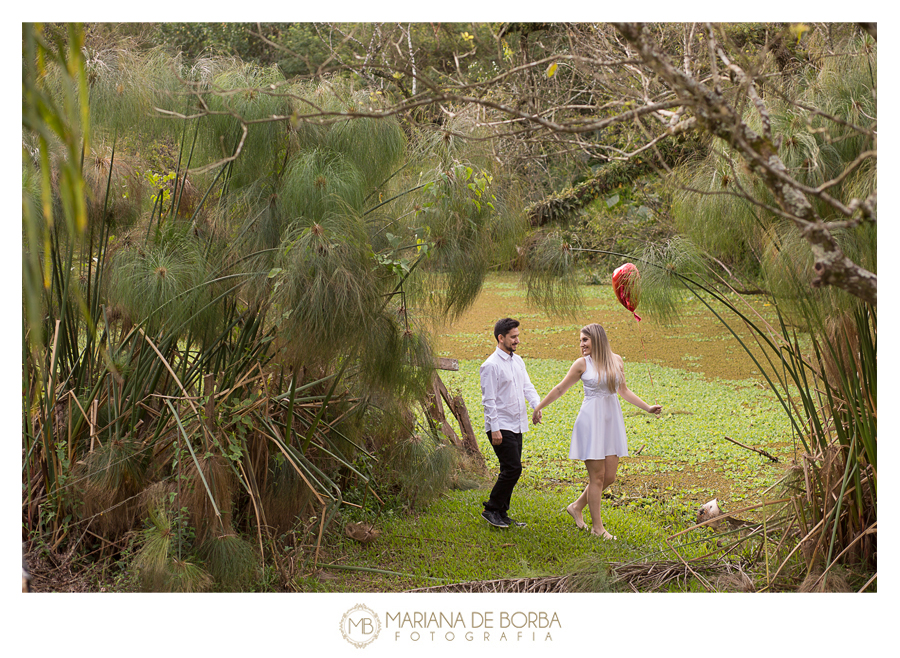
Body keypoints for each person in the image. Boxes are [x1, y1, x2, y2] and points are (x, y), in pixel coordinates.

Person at [532, 323, 661, 539]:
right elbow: (560, 388)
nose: (581, 344)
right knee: (597, 477)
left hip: (611, 422)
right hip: (591, 422)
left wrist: (648, 408)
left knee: (609, 477)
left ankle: (576, 507)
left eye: (585, 340)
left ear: (597, 340)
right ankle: (597, 528)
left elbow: (624, 391)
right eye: (580, 340)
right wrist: (539, 407)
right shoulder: (582, 364)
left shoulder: (616, 360)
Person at [479, 318, 542, 529]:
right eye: (513, 337)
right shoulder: (490, 366)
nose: (517, 340)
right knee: (513, 469)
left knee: (510, 469)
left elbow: (527, 387)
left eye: (517, 336)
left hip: (517, 424)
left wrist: (536, 406)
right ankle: (491, 509)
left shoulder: (518, 361)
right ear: (501, 338)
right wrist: (494, 428)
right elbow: (489, 401)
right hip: (500, 425)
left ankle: (502, 514)